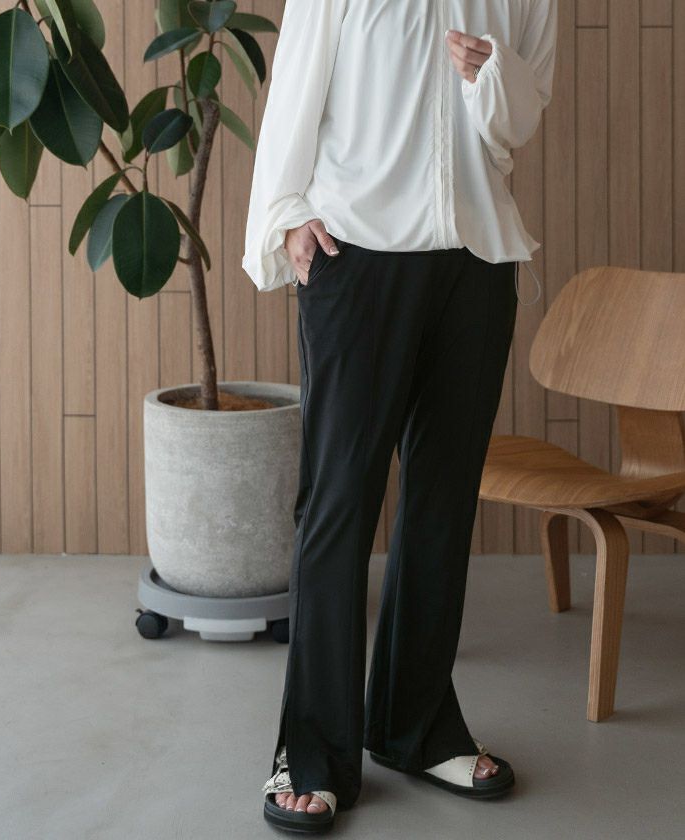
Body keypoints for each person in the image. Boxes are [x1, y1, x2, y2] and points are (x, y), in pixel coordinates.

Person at [242, 0, 558, 833]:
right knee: (339, 501)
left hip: (477, 262)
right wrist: (285, 213)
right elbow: (296, 91)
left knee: (442, 503)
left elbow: (519, 123)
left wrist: (493, 76)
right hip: (356, 253)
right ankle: (311, 752)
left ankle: (415, 728)